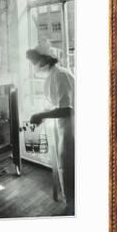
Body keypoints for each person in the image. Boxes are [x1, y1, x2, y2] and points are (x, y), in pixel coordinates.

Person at [26, 41, 75, 214]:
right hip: (60, 127)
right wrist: (42, 114)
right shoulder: (51, 77)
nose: (34, 66)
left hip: (71, 128)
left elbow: (67, 109)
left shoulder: (61, 75)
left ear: (45, 60)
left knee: (69, 165)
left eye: (35, 62)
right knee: (63, 165)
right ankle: (70, 202)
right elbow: (55, 104)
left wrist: (42, 116)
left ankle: (74, 207)